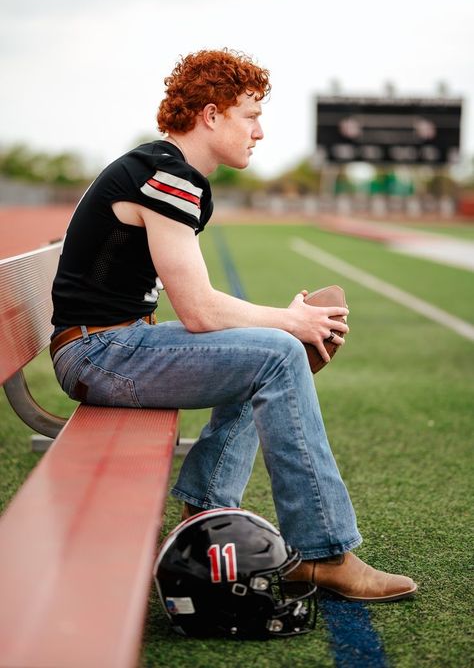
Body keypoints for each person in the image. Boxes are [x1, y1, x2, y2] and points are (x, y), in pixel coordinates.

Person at [50, 49, 417, 603]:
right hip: (100, 353)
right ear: (211, 115)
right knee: (277, 353)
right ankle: (325, 554)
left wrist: (279, 324)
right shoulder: (169, 176)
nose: (260, 132)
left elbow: (200, 311)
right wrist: (289, 320)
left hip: (109, 342)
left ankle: (204, 514)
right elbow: (198, 311)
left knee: (267, 348)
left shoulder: (166, 170)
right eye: (250, 115)